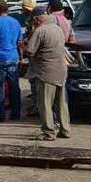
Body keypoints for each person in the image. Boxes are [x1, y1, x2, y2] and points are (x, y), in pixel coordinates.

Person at [25, 11, 71, 141]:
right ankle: (65, 129)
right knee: (61, 103)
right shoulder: (58, 29)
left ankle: (48, 132)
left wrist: (24, 45)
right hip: (61, 70)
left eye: (32, 20)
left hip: (46, 72)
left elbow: (30, 50)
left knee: (45, 104)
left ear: (37, 19)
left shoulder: (40, 31)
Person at [18, 0, 41, 116]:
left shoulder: (34, 21)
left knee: (35, 82)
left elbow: (33, 38)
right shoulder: (32, 20)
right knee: (34, 82)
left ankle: (38, 106)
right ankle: (36, 104)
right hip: (34, 55)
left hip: (35, 56)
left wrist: (26, 43)